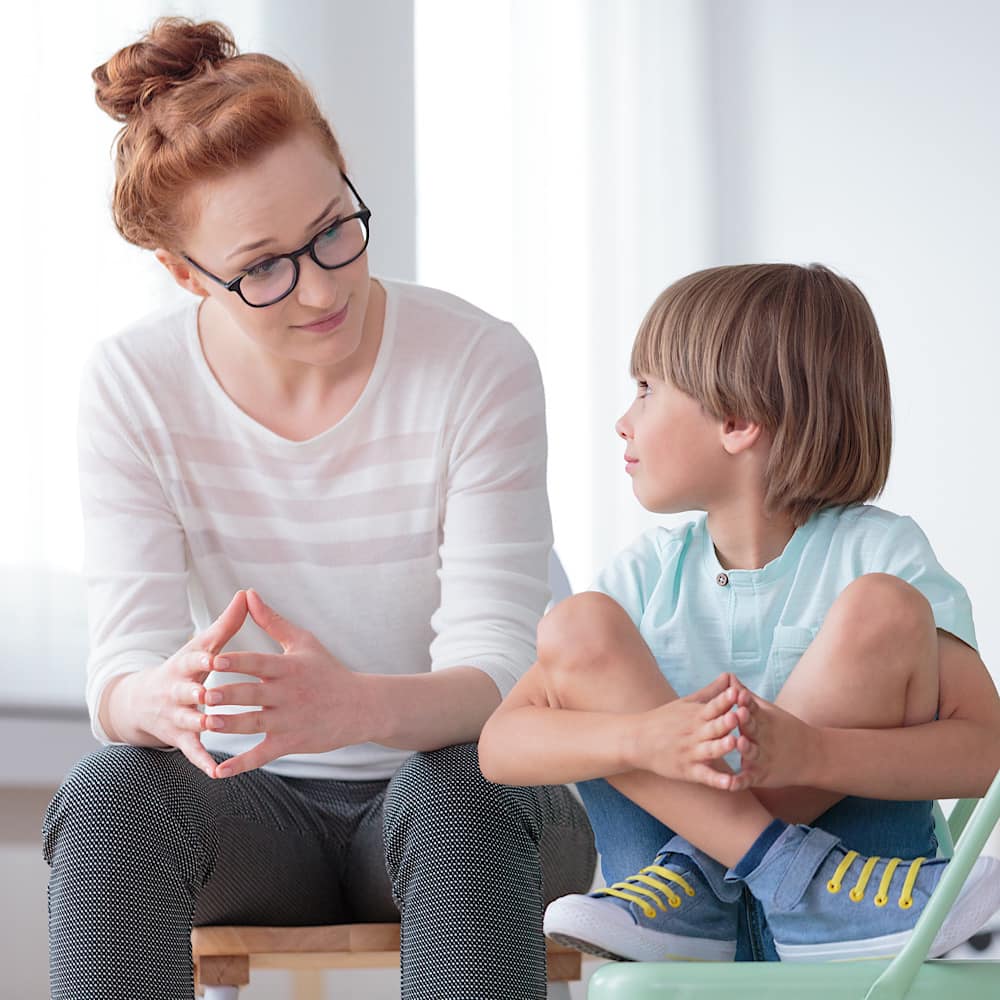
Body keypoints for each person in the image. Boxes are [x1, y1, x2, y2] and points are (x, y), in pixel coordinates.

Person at [42, 17, 595, 1000]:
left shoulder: (476, 362)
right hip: (252, 815)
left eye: (334, 228)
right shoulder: (134, 383)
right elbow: (117, 676)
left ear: (346, 178)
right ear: (183, 275)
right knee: (109, 791)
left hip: (462, 801)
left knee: (459, 781)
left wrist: (357, 707)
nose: (321, 287)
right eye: (262, 268)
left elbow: (501, 673)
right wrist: (155, 697)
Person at [478, 262, 1000, 963]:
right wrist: (645, 738)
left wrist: (815, 751)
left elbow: (983, 752)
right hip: (670, 922)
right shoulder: (642, 578)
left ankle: (733, 880)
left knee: (883, 607)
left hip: (867, 919)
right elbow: (500, 747)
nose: (623, 420)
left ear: (736, 420)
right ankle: (749, 884)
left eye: (646, 389)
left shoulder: (882, 555)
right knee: (577, 625)